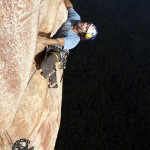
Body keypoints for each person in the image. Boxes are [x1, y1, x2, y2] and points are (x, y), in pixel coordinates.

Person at [37, 0, 98, 88]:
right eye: (87, 24)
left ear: (84, 34)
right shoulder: (75, 18)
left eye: (86, 27)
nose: (85, 23)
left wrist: (37, 40)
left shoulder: (74, 40)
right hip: (54, 43)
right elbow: (70, 6)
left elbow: (57, 42)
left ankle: (53, 82)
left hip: (58, 51)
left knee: (45, 64)